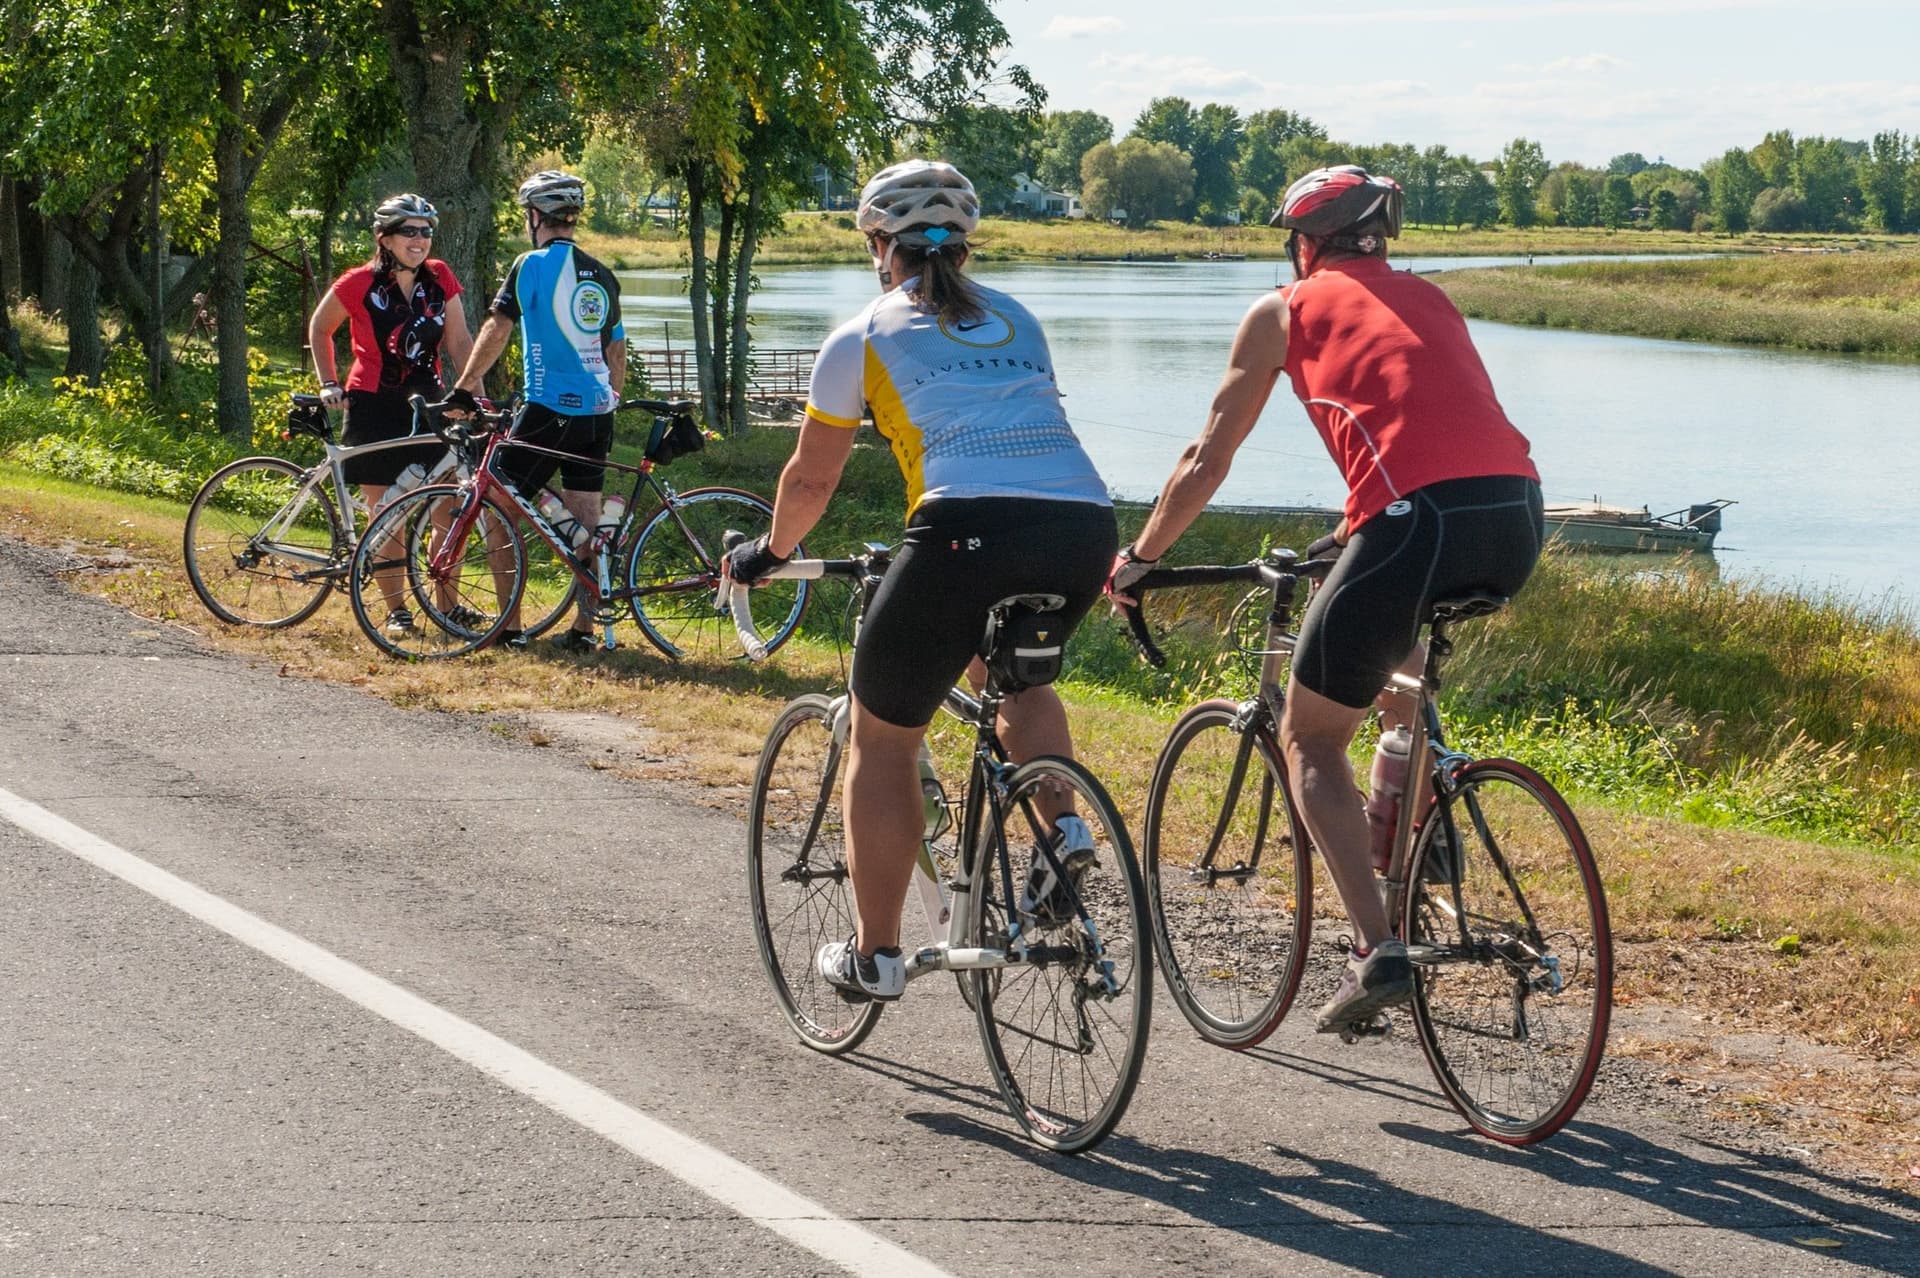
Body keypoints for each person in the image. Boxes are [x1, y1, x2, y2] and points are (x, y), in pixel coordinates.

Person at [1105, 164, 1545, 1034]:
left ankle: (1376, 951)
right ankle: (1421, 821)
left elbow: (1206, 461)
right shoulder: (1432, 299)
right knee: (1397, 664)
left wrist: (1141, 557)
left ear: (1304, 242)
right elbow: (1430, 425)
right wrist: (1354, 535)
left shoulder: (1285, 309)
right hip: (1515, 512)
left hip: (1413, 522)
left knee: (1310, 738)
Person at [724, 159, 1118, 1003]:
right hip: (1083, 525)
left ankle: (876, 958)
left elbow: (811, 481)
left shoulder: (863, 334)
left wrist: (768, 552)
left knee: (885, 738)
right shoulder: (1020, 319)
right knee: (1017, 678)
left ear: (879, 245)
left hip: (960, 531)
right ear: (963, 246)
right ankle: (1066, 829)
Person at [450, 170, 627, 651]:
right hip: (596, 414)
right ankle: (583, 631)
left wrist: (465, 388)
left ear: (534, 217)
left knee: (500, 505)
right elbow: (617, 353)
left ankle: (507, 629)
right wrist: (610, 397)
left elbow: (498, 327)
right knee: (586, 521)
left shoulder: (530, 265)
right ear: (571, 218)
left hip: (548, 406)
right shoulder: (602, 274)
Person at [308, 194, 475, 634]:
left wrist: (472, 394)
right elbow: (320, 328)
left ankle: (448, 609)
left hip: (431, 404)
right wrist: (329, 382)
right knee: (387, 514)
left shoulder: (440, 278)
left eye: (426, 231)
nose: (420, 240)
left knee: (447, 509)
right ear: (385, 237)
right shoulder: (358, 282)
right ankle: (397, 612)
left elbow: (459, 343)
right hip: (373, 405)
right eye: (410, 231)